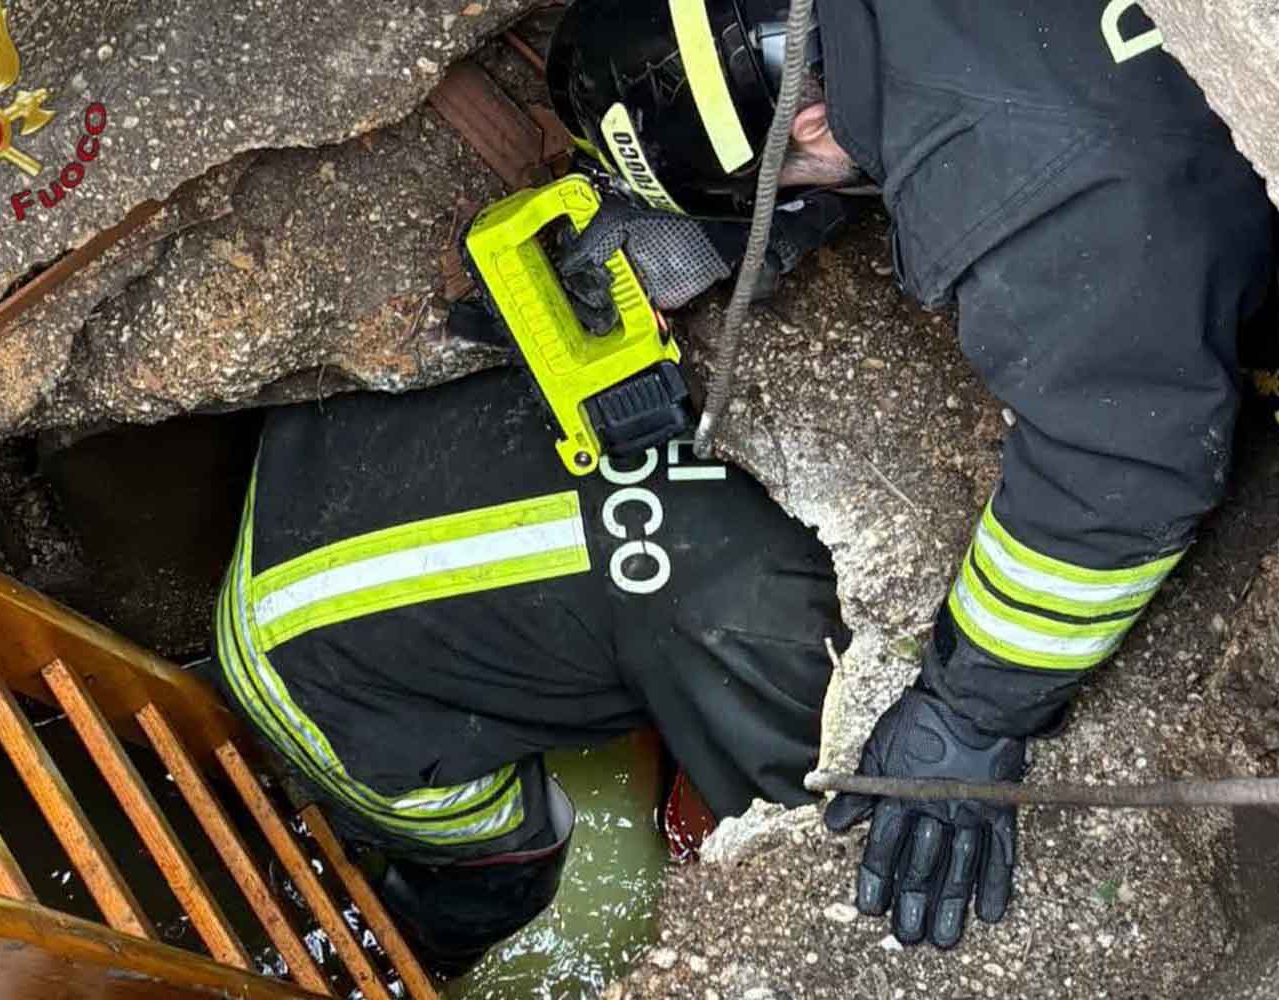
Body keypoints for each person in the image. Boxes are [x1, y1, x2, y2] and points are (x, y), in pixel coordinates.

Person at [545, 0, 1276, 951]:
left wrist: (970, 709)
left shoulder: (1046, 215)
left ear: (807, 124)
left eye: (790, 170)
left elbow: (1123, 477)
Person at [207, 369, 845, 975]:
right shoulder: (785, 638)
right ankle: (414, 951)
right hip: (308, 690)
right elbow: (760, 814)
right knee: (516, 859)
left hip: (304, 471)